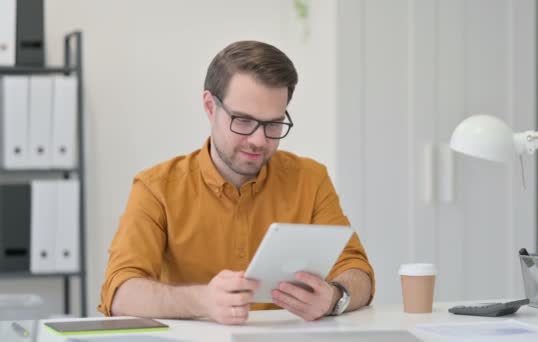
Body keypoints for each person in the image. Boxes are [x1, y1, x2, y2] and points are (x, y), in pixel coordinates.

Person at [98, 40, 375, 325]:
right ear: (210, 106)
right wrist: (202, 300)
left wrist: (334, 297)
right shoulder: (156, 188)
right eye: (243, 120)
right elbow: (120, 293)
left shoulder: (310, 179)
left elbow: (358, 273)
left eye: (273, 124)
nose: (258, 140)